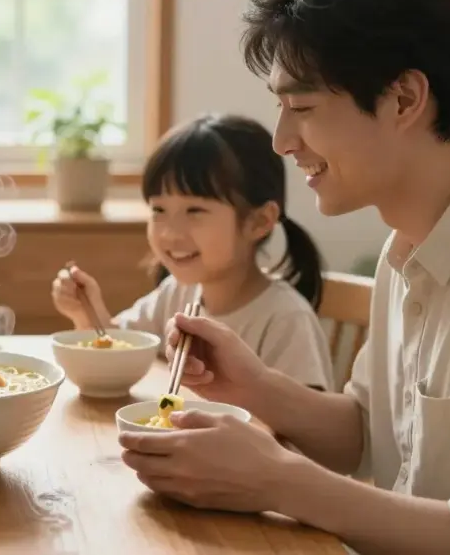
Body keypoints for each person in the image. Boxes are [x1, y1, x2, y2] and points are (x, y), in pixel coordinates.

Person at [117, 0, 450, 553]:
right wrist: (255, 387)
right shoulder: (403, 260)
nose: (281, 140)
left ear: (403, 99)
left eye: (301, 105)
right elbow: (365, 436)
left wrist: (278, 480)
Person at [51, 113, 333, 390]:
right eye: (159, 210)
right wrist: (86, 312)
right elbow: (120, 353)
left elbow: (308, 429)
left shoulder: (285, 319)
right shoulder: (175, 293)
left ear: (259, 221)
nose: (170, 233)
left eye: (194, 210)